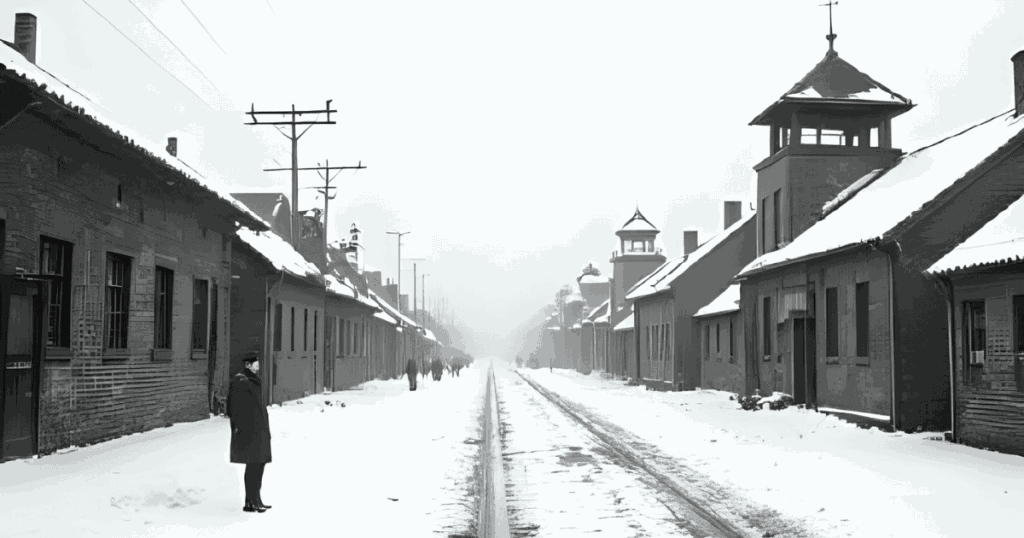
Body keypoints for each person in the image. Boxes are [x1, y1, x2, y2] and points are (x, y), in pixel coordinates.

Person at [226, 352, 272, 514]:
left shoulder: (252, 380)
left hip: (259, 429)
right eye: (254, 362)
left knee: (259, 464)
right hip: (249, 430)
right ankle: (252, 501)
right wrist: (239, 427)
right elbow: (233, 407)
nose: (257, 364)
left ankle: (255, 499)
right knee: (254, 464)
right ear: (247, 365)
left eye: (257, 361)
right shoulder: (240, 381)